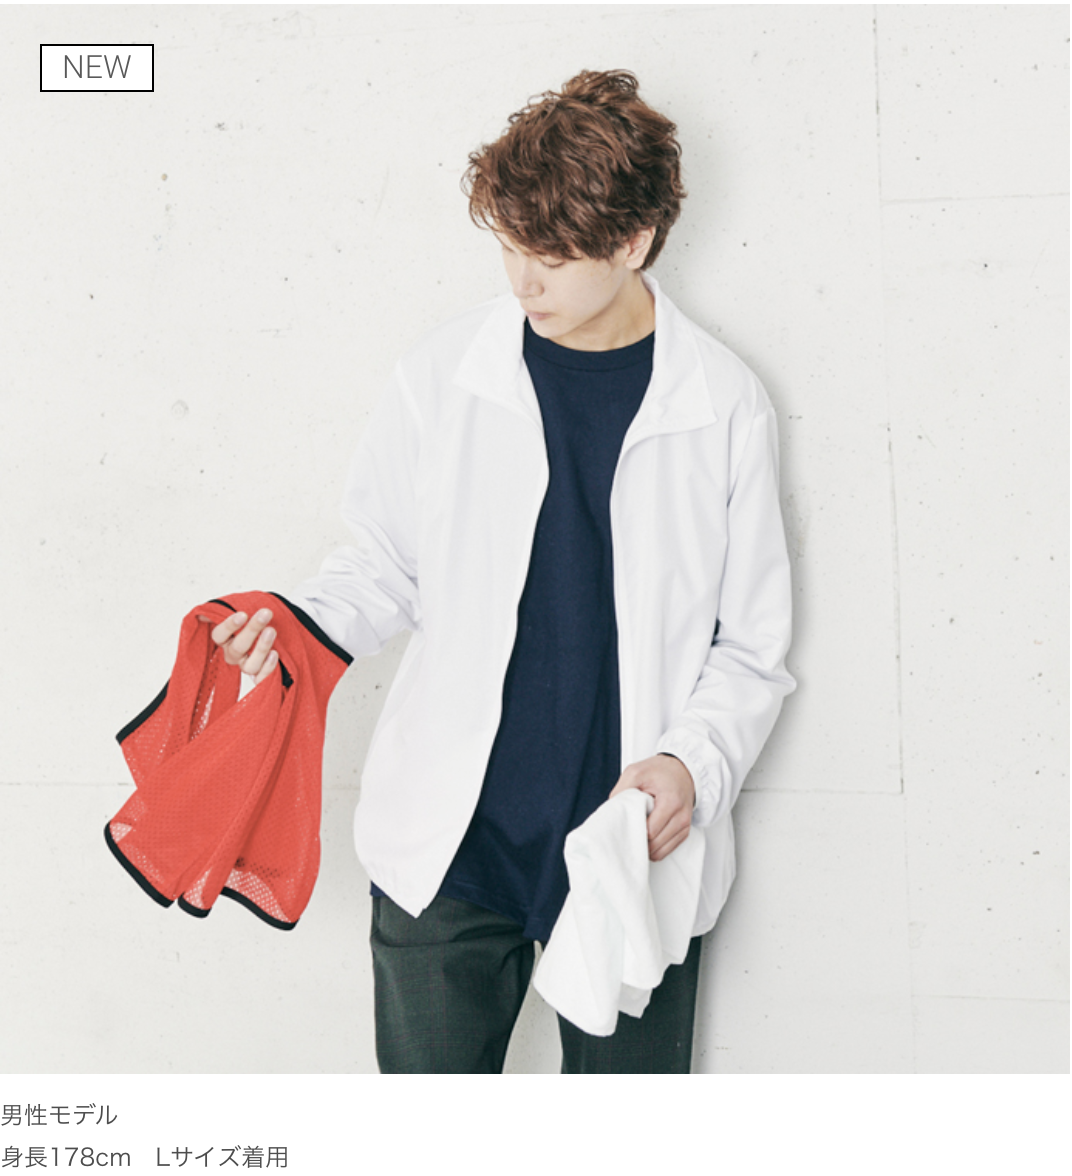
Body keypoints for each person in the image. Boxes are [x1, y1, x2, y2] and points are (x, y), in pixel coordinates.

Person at [206, 69, 795, 1073]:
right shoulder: (444, 374)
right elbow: (384, 563)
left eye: (551, 258)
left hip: (627, 844)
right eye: (511, 247)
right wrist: (298, 622)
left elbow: (751, 647)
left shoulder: (724, 404)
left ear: (633, 241)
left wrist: (691, 766)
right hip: (452, 847)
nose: (522, 282)